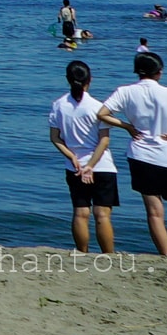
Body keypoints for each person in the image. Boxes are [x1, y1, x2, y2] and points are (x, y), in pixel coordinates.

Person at [98, 52, 167, 267]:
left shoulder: (125, 92)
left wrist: (126, 126)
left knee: (154, 212)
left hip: (141, 155)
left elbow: (102, 113)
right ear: (159, 72)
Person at [49, 60, 117, 254]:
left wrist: (72, 157)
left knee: (80, 213)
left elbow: (55, 138)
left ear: (68, 80)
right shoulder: (98, 107)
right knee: (102, 215)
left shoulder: (58, 105)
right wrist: (91, 165)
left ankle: (82, 253)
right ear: (90, 80)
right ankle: (109, 256)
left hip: (75, 167)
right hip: (101, 166)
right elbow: (104, 141)